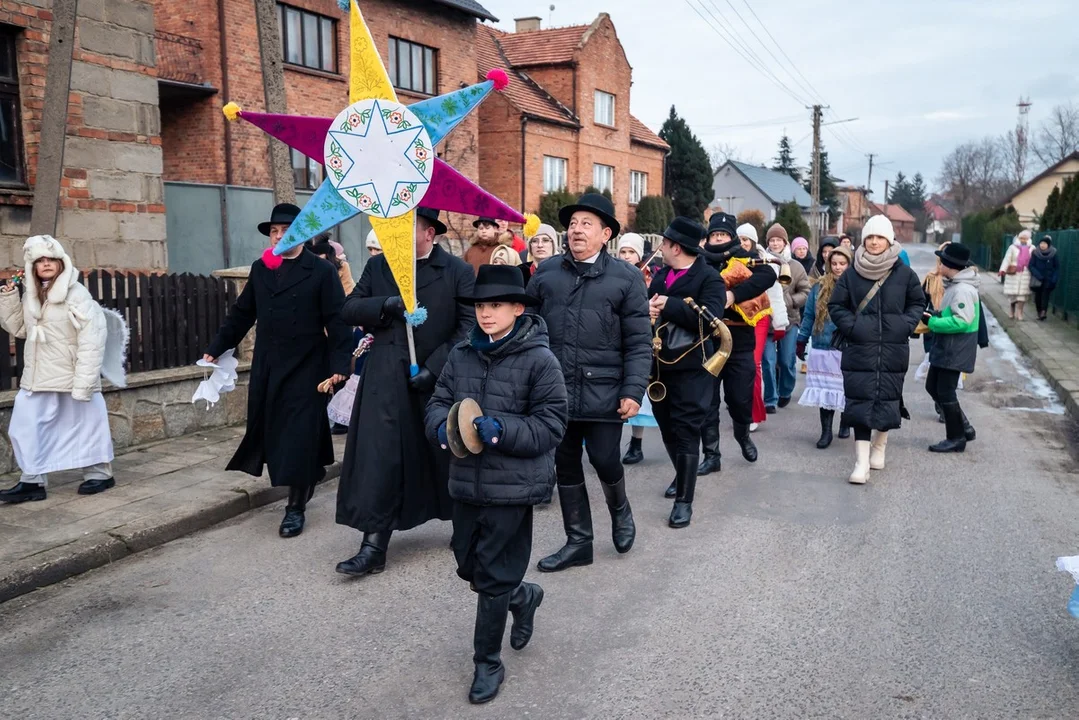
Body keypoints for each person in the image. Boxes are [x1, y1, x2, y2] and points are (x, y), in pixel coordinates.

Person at [425, 265, 568, 705]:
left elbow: (551, 424)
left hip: (514, 487)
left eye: (496, 305)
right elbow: (438, 403)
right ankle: (523, 596)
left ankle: (487, 662)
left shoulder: (540, 360)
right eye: (481, 306)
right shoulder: (461, 354)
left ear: (518, 309)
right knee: (468, 563)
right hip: (466, 482)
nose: (486, 314)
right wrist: (442, 430)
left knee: (490, 577)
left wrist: (502, 430)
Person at [335, 208, 476, 576]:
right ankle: (373, 544)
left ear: (430, 232)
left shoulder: (457, 272)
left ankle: (463, 527)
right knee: (380, 458)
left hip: (438, 379)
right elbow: (349, 308)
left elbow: (468, 328)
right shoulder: (381, 268)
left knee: (445, 454)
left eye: (407, 225)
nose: (396, 232)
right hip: (384, 378)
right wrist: (387, 305)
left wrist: (435, 368)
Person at [205, 203, 353, 536]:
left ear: (302, 233)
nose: (279, 235)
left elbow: (337, 320)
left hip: (308, 367)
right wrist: (216, 349)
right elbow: (242, 314)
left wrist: (340, 366)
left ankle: (295, 507)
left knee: (299, 435)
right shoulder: (261, 269)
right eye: (274, 231)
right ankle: (308, 474)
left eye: (286, 230)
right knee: (275, 432)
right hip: (269, 365)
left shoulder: (321, 271)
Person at [526, 193, 650, 572]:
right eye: (573, 223)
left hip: (605, 390)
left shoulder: (626, 278)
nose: (576, 230)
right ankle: (578, 541)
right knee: (564, 464)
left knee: (604, 458)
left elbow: (639, 342)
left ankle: (620, 508)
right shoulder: (546, 273)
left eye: (586, 224)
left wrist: (633, 391)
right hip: (556, 391)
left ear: (605, 233)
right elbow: (527, 327)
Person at [0, 235, 119, 504]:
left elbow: (92, 338)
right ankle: (32, 480)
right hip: (38, 377)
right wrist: (8, 298)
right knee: (24, 426)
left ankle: (100, 474)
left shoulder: (77, 295)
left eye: (50, 259)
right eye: (39, 260)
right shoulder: (34, 295)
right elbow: (21, 329)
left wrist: (85, 382)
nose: (45, 264)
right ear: (32, 267)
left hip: (72, 375)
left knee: (87, 426)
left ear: (61, 262)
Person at [828, 214, 925, 485]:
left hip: (893, 347)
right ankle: (861, 463)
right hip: (859, 346)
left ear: (889, 239)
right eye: (870, 237)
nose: (873, 242)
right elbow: (836, 306)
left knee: (888, 397)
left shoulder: (904, 274)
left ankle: (879, 446)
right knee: (859, 400)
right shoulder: (851, 274)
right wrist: (853, 327)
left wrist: (904, 325)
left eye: (879, 237)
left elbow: (918, 303)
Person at [687, 216, 776, 488]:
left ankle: (742, 435)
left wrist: (734, 295)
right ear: (709, 238)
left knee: (739, 399)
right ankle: (712, 455)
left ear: (733, 238)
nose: (719, 240)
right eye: (715, 236)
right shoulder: (699, 263)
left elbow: (769, 275)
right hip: (707, 342)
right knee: (706, 403)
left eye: (724, 236)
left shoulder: (747, 260)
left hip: (739, 342)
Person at [648, 218, 726, 527]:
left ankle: (684, 501)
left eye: (664, 244)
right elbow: (651, 307)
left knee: (686, 431)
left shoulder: (710, 278)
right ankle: (683, 474)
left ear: (675, 247)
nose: (661, 249)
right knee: (667, 428)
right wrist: (650, 308)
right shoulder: (661, 275)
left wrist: (669, 305)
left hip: (693, 367)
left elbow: (711, 320)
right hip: (658, 366)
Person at [924, 242, 980, 454]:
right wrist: (936, 316)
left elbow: (962, 321)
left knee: (945, 391)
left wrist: (933, 324)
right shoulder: (955, 285)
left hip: (955, 349)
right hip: (947, 347)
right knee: (933, 386)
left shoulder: (963, 290)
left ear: (949, 265)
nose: (939, 264)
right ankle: (964, 427)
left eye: (942, 261)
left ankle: (956, 437)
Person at [796, 245, 853, 448]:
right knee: (825, 390)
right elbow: (809, 315)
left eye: (842, 264)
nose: (838, 268)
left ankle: (845, 423)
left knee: (846, 388)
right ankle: (826, 432)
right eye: (834, 264)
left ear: (849, 264)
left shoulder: (856, 286)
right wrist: (802, 339)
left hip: (847, 345)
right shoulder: (818, 287)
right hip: (822, 343)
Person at [616, 232, 657, 465]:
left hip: (637, 338)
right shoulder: (610, 275)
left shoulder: (648, 278)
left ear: (639, 255)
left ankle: (636, 443)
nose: (627, 256)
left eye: (631, 252)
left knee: (637, 391)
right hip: (613, 340)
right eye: (623, 251)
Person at [761, 224, 810, 411]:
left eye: (778, 240)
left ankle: (785, 390)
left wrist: (789, 301)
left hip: (790, 320)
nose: (775, 243)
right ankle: (770, 399)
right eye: (771, 240)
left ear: (785, 242)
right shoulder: (761, 262)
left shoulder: (795, 266)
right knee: (767, 361)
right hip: (766, 320)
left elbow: (805, 291)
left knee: (786, 360)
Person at [998, 229, 1033, 320]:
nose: (1023, 240)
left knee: (1022, 295)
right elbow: (1007, 259)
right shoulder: (1012, 247)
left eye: (1025, 238)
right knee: (1012, 295)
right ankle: (1012, 311)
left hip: (1026, 273)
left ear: (1028, 239)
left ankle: (1020, 312)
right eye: (1021, 238)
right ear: (1018, 238)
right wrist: (1002, 269)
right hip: (1014, 272)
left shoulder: (1032, 248)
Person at [1029, 235, 1059, 321]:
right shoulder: (1035, 253)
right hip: (1038, 279)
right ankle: (1039, 312)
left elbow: (1057, 267)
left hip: (1049, 279)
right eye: (1041, 243)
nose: (1042, 245)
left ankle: (1043, 312)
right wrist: (1037, 275)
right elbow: (1031, 265)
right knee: (1038, 297)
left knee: (1045, 296)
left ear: (1048, 245)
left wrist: (1054, 278)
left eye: (1045, 243)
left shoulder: (1053, 253)